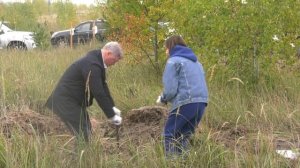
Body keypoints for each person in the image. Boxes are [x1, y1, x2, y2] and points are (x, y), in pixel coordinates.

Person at [46, 41, 123, 143]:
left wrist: (112, 107)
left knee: (86, 128)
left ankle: (84, 155)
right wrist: (111, 115)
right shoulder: (92, 63)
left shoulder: (97, 61)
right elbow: (98, 92)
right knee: (83, 132)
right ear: (108, 53)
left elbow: (103, 86)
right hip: (65, 101)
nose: (113, 64)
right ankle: (78, 158)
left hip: (73, 101)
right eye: (114, 60)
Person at [156, 35, 208, 158]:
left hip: (186, 102)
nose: (165, 51)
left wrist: (163, 98)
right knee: (183, 137)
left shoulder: (173, 61)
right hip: (201, 103)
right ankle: (184, 163)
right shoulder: (196, 62)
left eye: (166, 48)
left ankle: (170, 163)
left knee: (169, 134)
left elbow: (170, 90)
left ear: (171, 47)